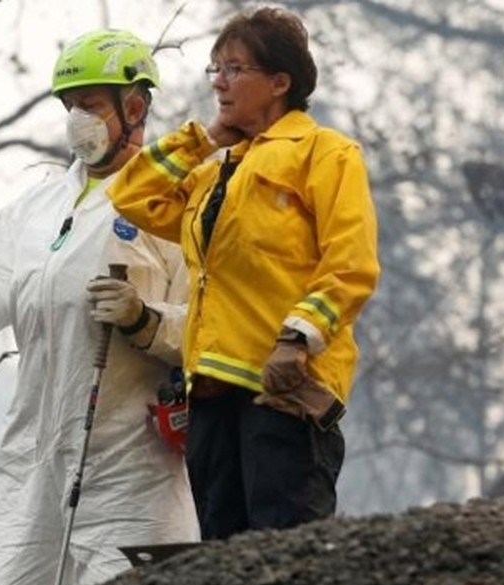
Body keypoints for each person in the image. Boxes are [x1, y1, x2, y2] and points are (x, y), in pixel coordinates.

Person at [0, 29, 200, 585]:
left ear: (136, 106)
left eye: (91, 106)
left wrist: (144, 319)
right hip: (35, 461)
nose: (77, 119)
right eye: (70, 106)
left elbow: (211, 324)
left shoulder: (176, 201)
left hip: (131, 466)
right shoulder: (38, 205)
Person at [107, 7, 381, 541]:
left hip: (284, 389)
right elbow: (132, 194)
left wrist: (297, 337)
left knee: (282, 549)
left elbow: (350, 263)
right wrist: (204, 138)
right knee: (222, 557)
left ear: (280, 81)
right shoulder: (215, 171)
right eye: (215, 69)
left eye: (234, 69)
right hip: (211, 392)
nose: (220, 83)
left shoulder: (323, 153)